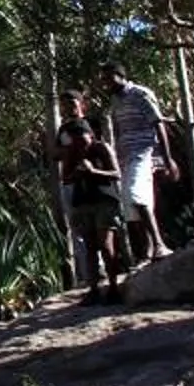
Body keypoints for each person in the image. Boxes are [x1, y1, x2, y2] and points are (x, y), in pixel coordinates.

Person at [102, 64, 173, 260]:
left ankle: (159, 244)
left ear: (121, 76)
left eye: (109, 78)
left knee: (136, 195)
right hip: (127, 156)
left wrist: (168, 159)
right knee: (133, 205)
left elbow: (158, 123)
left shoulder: (140, 94)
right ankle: (148, 250)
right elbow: (119, 130)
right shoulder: (115, 101)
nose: (106, 83)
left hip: (144, 151)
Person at [60, 114, 130, 302]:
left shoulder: (101, 148)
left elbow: (116, 173)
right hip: (83, 201)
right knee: (90, 247)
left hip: (104, 200)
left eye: (81, 139)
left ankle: (113, 287)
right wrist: (77, 173)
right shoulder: (71, 153)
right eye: (74, 140)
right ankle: (93, 289)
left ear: (90, 135)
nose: (78, 144)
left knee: (106, 245)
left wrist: (93, 171)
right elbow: (65, 178)